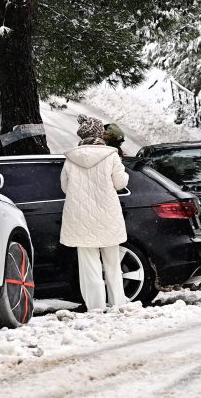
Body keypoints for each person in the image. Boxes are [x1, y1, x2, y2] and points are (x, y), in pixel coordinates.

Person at [60, 115, 129, 310]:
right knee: (113, 264)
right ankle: (117, 303)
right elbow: (120, 183)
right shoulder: (111, 155)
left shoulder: (71, 158)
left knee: (89, 266)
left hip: (81, 218)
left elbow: (65, 187)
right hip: (107, 215)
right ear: (100, 134)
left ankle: (96, 306)